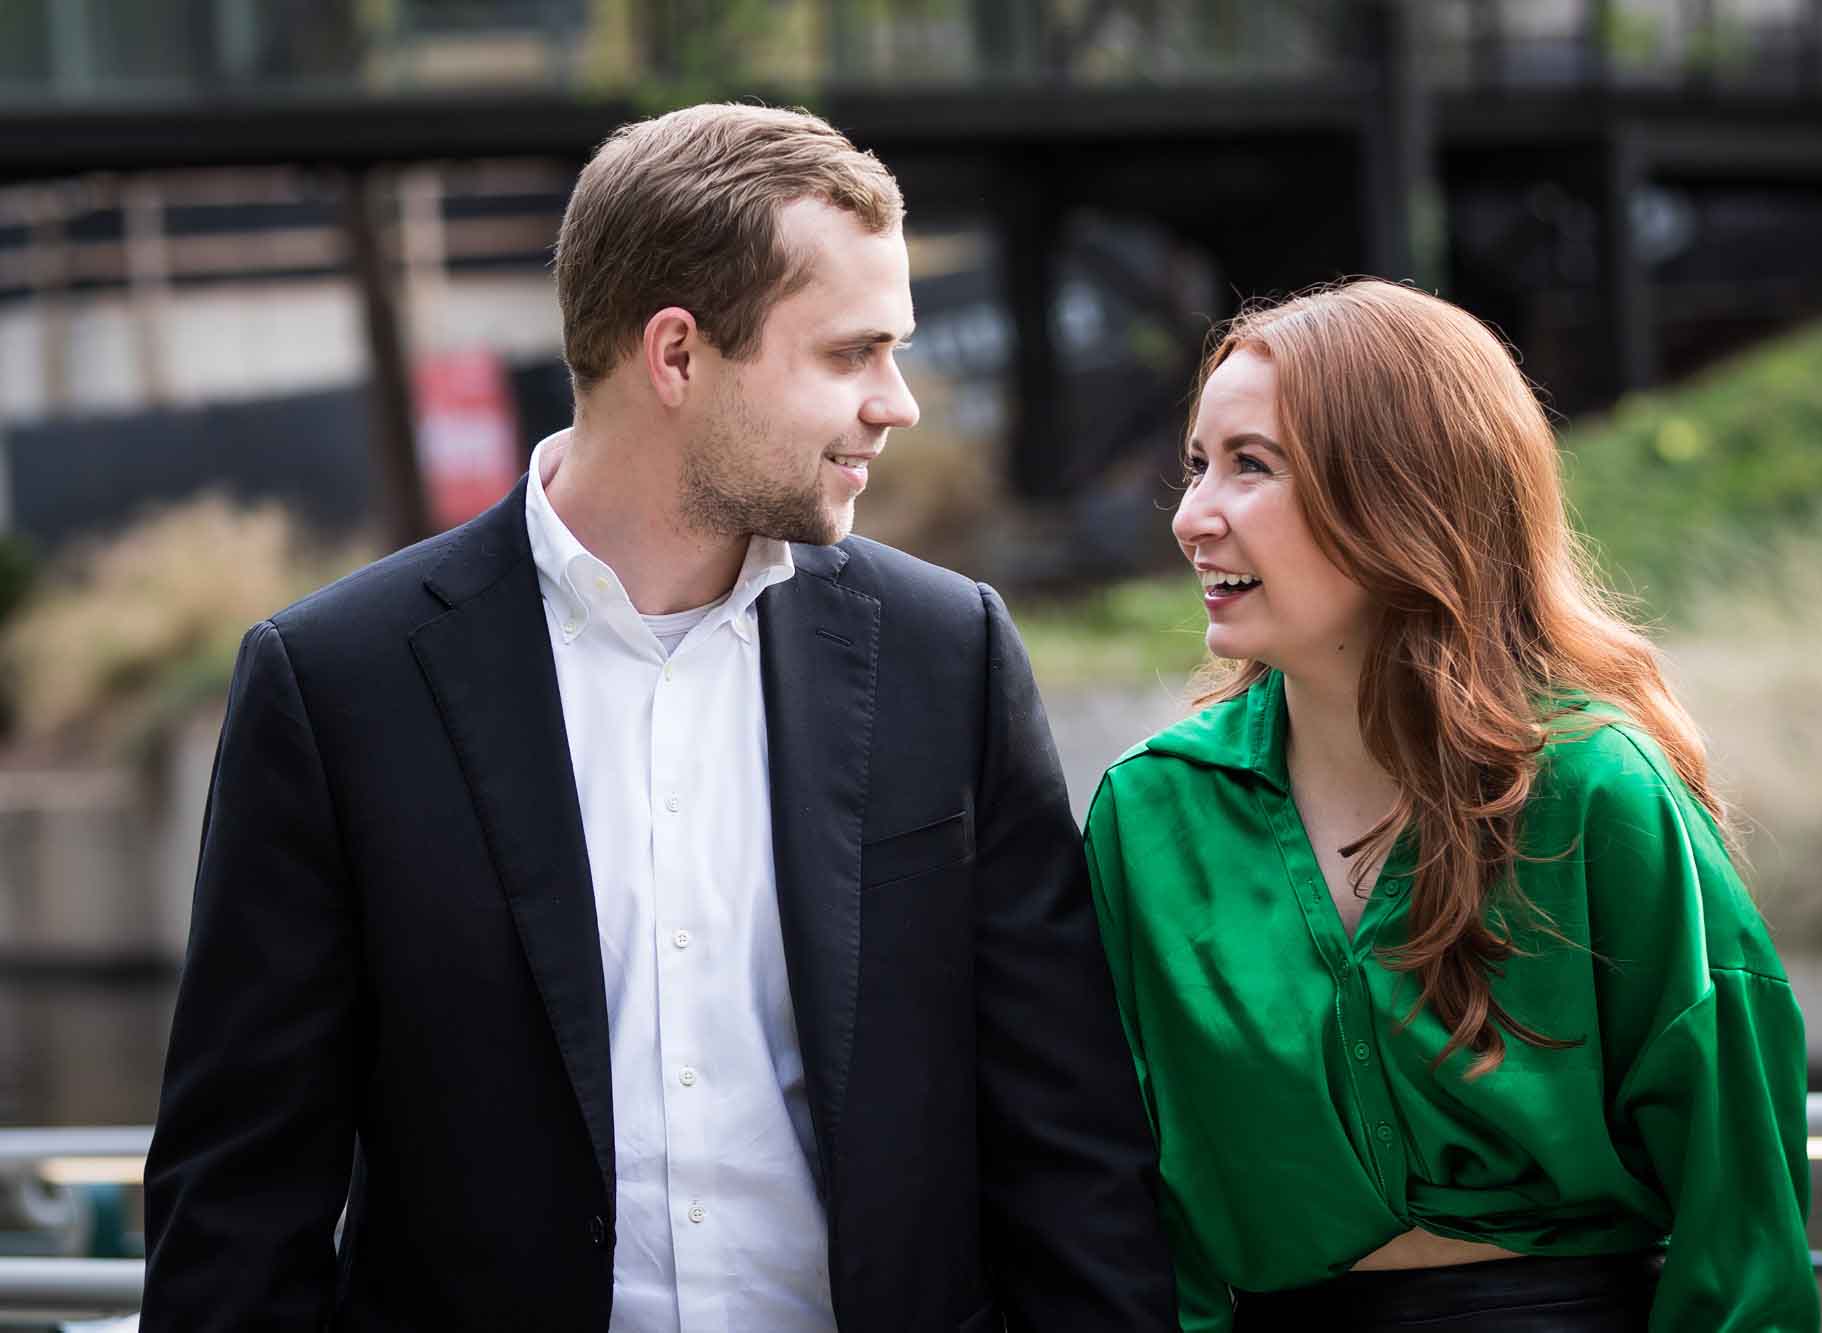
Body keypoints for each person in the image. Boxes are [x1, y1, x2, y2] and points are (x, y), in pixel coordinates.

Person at [141, 104, 1177, 1333]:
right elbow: (238, 1205)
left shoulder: (944, 654)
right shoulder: (334, 683)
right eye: (850, 355)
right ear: (676, 355)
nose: (896, 402)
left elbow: (1068, 1150)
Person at [1085, 280, 1817, 1331]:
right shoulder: (1151, 813)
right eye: (1199, 464)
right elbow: (1131, 1200)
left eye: (1250, 466)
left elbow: (1738, 1217)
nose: (1191, 516)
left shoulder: (1596, 791)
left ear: (1398, 492)